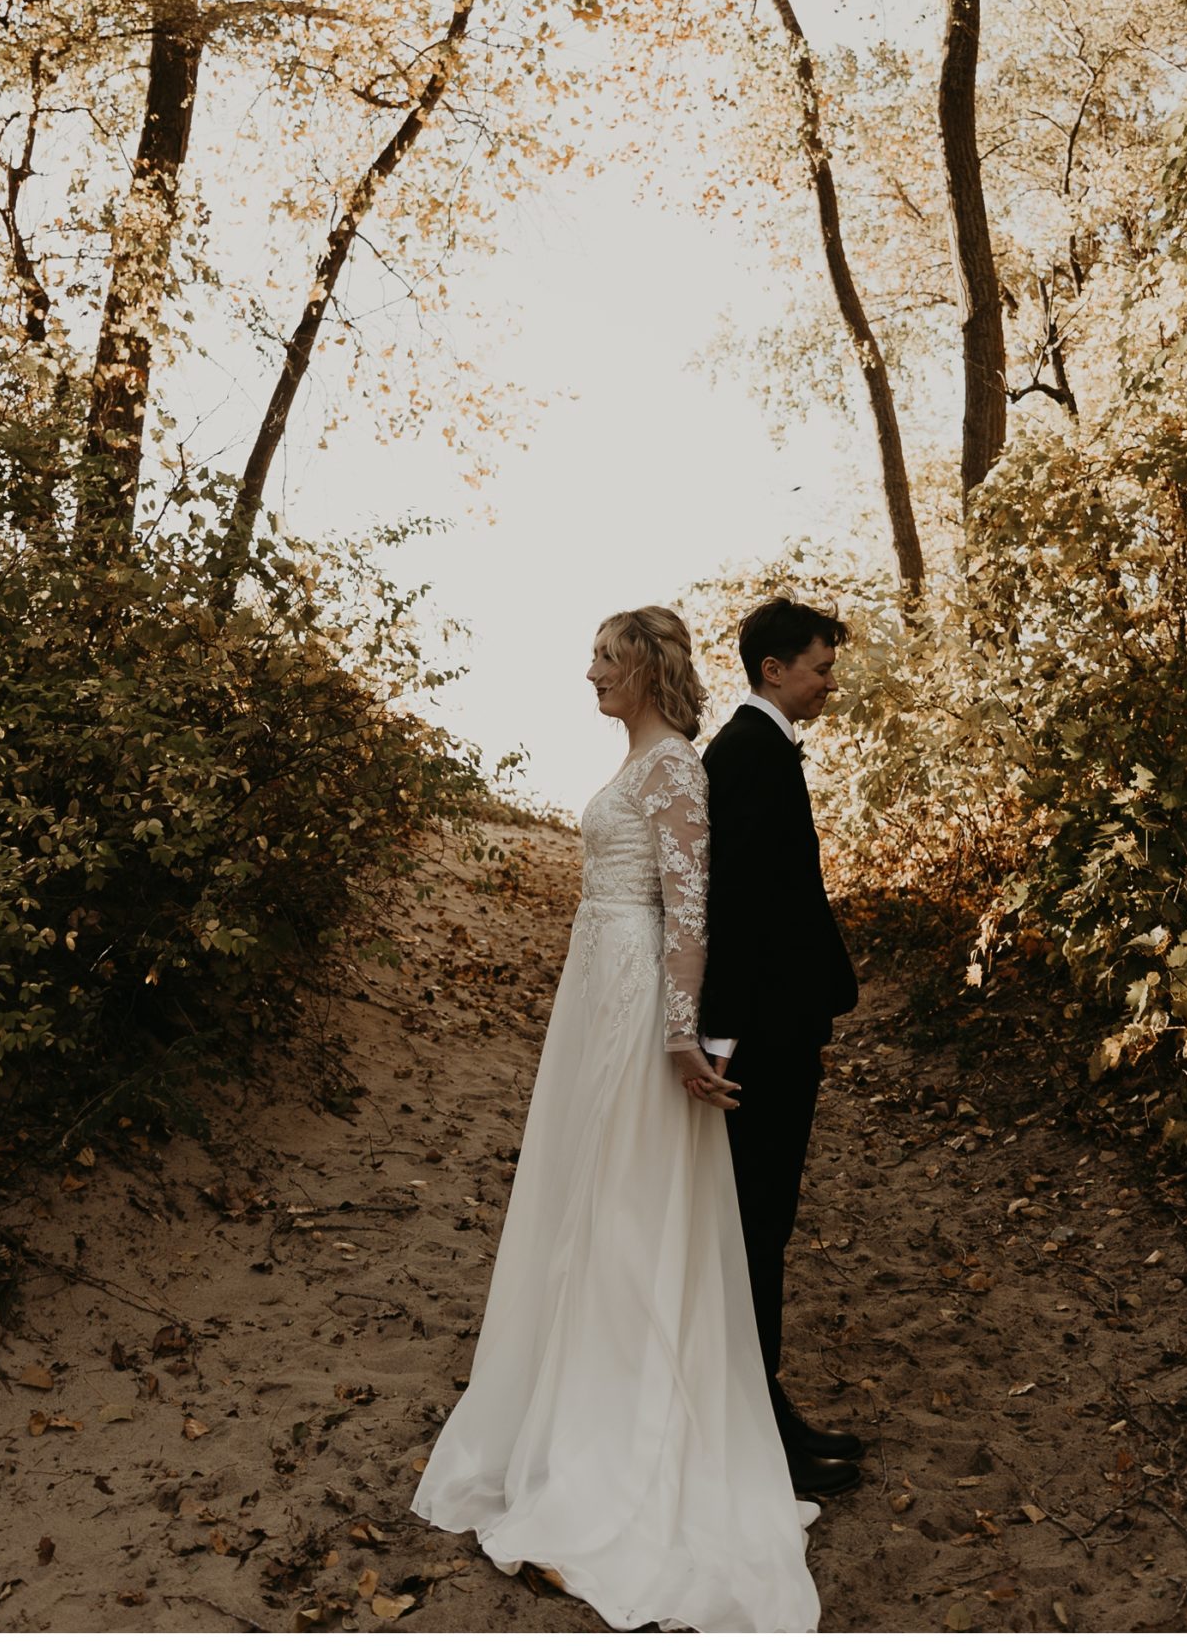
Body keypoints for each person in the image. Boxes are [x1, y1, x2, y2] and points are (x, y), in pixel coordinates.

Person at [410, 605, 820, 1634]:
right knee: (585, 1199)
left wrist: (684, 1033)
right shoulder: (639, 760)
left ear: (640, 668)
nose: (586, 670)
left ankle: (631, 1435)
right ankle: (564, 1411)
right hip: (594, 986)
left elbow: (691, 911)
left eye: (601, 656)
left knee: (635, 1207)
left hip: (640, 996)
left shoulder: (678, 768)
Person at [698, 596, 865, 1495]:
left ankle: (764, 1406)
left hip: (772, 1025)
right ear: (774, 670)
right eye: (820, 667)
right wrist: (720, 1036)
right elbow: (736, 910)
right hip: (760, 1038)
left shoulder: (753, 752)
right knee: (758, 1223)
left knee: (764, 1222)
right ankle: (760, 1424)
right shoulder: (749, 758)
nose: (827, 681)